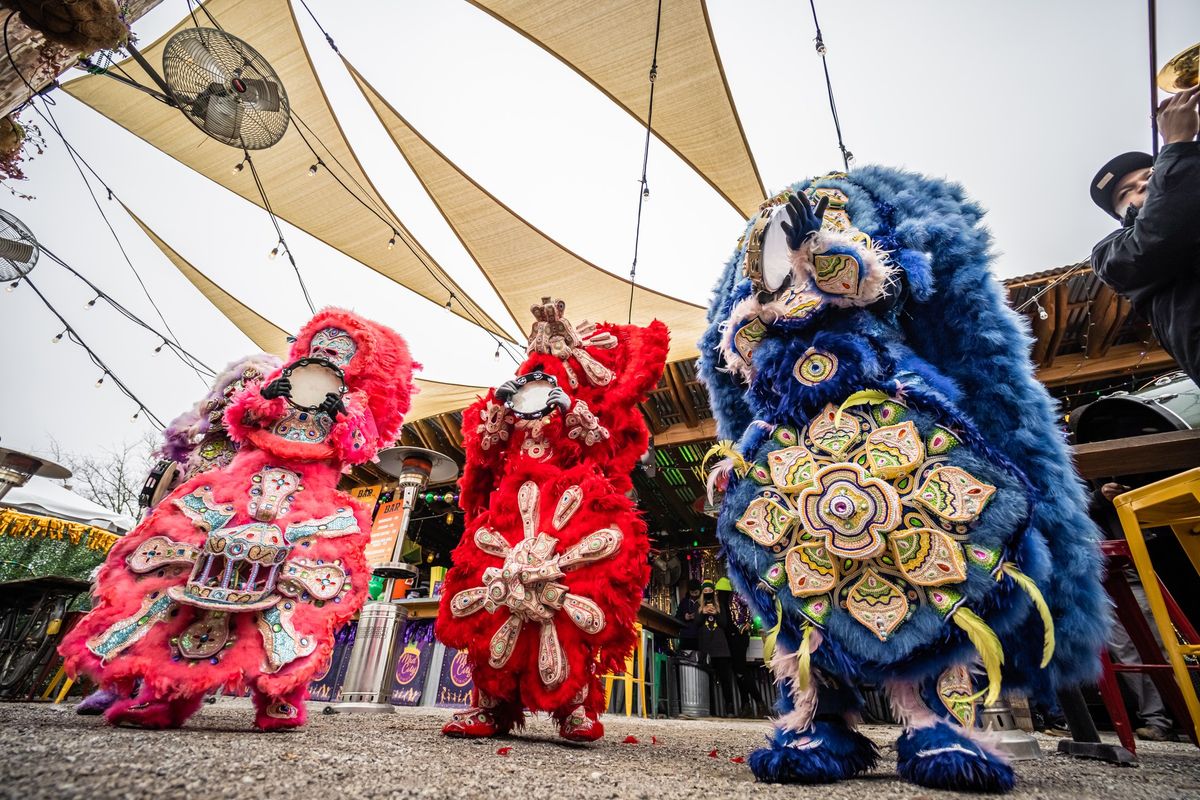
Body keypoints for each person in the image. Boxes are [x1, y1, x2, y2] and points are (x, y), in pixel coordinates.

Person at [1090, 85, 1200, 385]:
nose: (1141, 184)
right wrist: (1177, 142)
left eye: (1149, 174)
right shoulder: (1108, 252)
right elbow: (1160, 237)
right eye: (1126, 191)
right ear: (1119, 215)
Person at [722, 579, 766, 716]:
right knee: (737, 670)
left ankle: (758, 702)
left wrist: (749, 623)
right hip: (730, 636)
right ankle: (746, 704)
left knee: (740, 669)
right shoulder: (727, 595)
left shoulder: (739, 593)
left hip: (740, 635)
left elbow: (753, 606)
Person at [696, 579, 736, 717]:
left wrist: (715, 613)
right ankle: (710, 710)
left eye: (710, 591)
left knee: (725, 680)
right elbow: (697, 623)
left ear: (714, 592)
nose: (708, 593)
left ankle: (729, 709)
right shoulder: (698, 606)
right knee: (707, 681)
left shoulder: (720, 606)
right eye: (705, 591)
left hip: (721, 648)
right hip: (706, 648)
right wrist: (704, 612)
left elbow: (724, 624)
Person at [675, 578, 702, 651]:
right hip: (685, 636)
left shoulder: (703, 602)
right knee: (685, 660)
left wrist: (697, 616)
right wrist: (684, 617)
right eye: (692, 592)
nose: (694, 595)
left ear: (700, 591)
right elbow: (677, 617)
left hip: (700, 637)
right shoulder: (684, 602)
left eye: (696, 592)